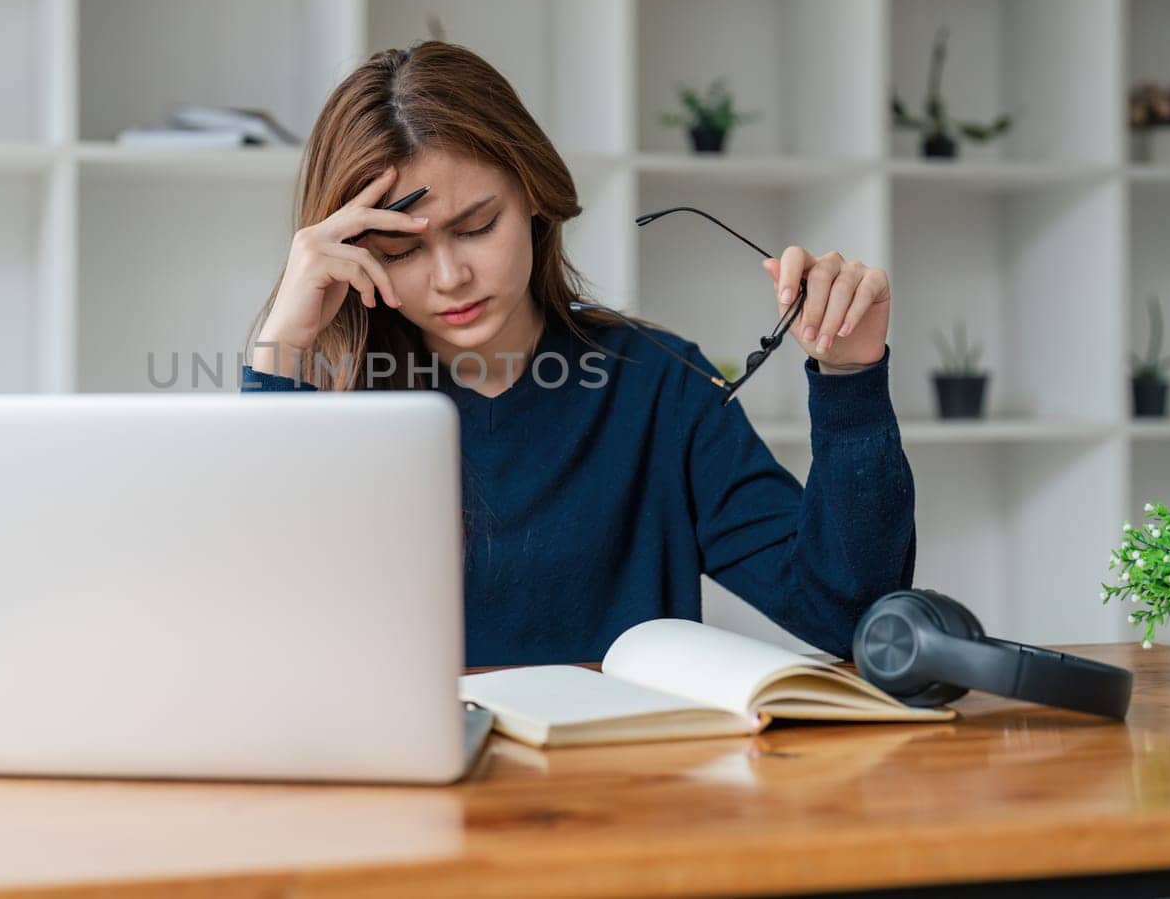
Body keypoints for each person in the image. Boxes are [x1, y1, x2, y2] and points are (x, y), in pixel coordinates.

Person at [240, 41, 912, 667]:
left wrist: (849, 376)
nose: (450, 277)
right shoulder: (335, 414)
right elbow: (254, 639)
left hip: (620, 786)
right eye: (401, 250)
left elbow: (847, 608)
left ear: (533, 196)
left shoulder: (661, 389)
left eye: (477, 227)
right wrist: (282, 355)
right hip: (416, 783)